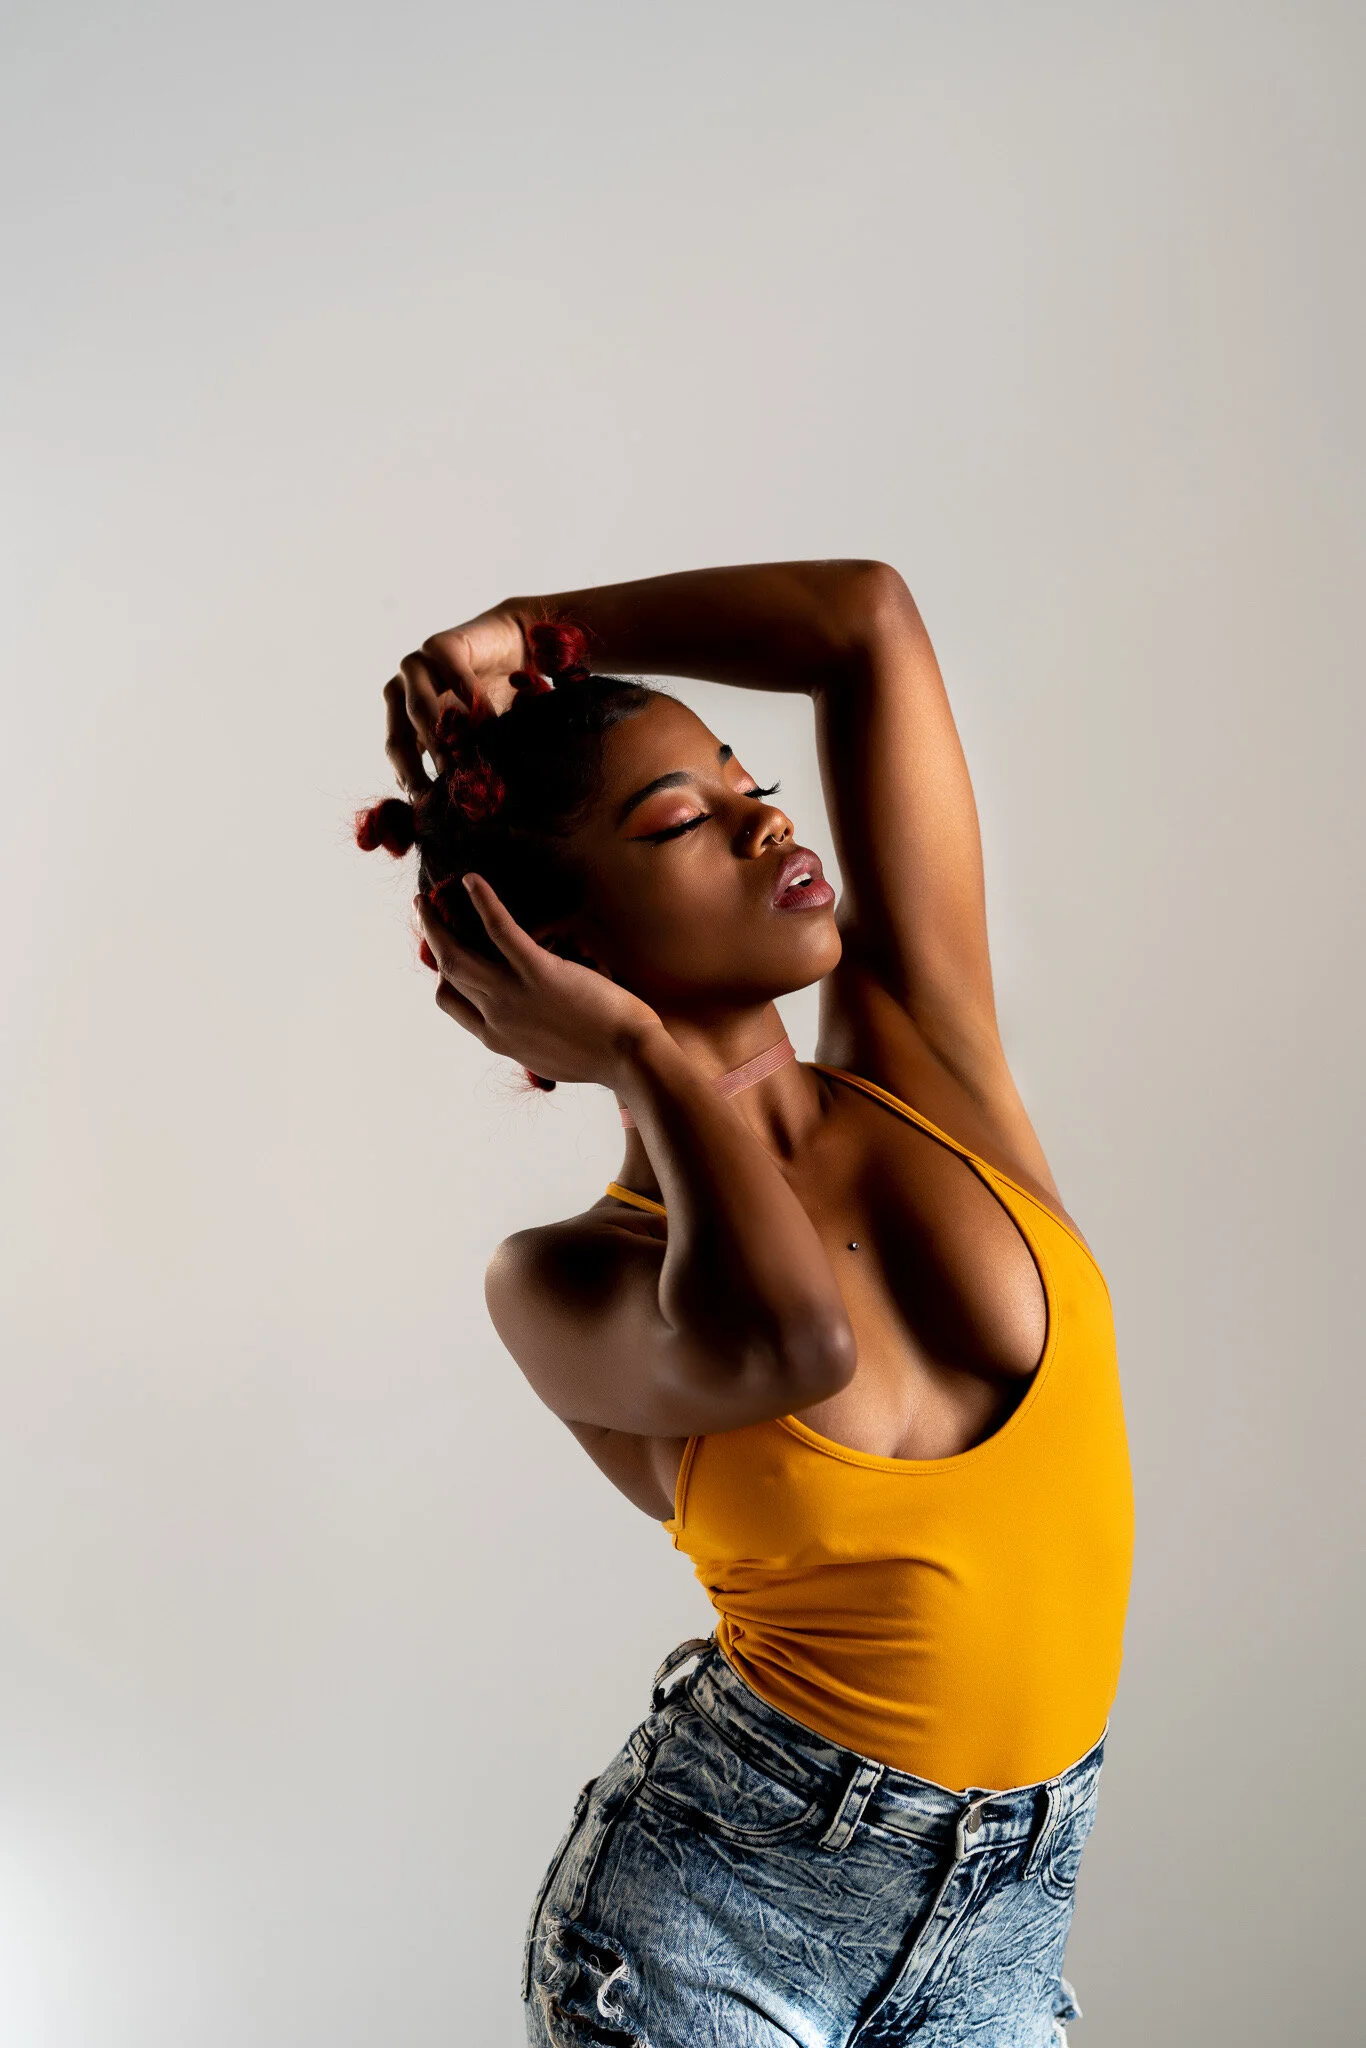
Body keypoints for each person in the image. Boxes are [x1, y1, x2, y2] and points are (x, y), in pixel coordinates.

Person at [356, 560, 1134, 2046]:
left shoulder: (926, 1057)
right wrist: (644, 1061)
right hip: (713, 1922)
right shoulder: (568, 1278)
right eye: (681, 822)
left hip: (1010, 1910)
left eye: (746, 783)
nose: (770, 822)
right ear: (555, 960)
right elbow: (792, 1339)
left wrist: (531, 635)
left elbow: (869, 622)